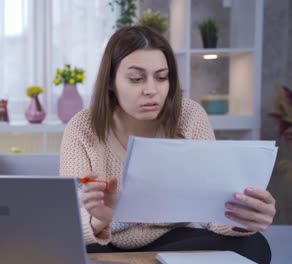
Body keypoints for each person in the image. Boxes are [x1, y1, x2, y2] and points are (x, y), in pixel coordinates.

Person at [60, 26, 275, 264]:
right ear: (110, 82)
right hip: (106, 242)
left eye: (162, 77)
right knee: (63, 252)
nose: (152, 90)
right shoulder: (82, 127)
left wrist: (242, 219)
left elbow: (209, 212)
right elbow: (71, 223)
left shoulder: (190, 116)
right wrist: (101, 218)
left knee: (253, 245)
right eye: (136, 79)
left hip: (171, 240)